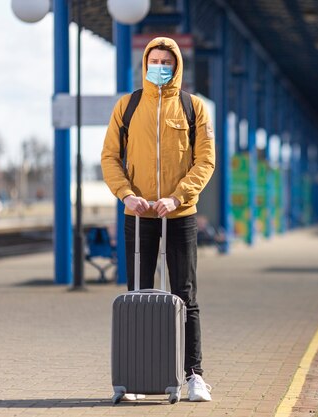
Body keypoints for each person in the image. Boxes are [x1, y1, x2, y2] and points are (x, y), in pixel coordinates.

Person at [101, 37, 215, 402]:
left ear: (177, 65)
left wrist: (177, 196)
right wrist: (126, 195)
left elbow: (205, 161)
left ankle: (193, 373)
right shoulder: (128, 106)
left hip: (180, 214)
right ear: (145, 64)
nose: (161, 66)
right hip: (138, 213)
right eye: (155, 60)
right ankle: (136, 374)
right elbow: (109, 158)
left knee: (185, 294)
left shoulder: (193, 108)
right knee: (138, 294)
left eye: (167, 60)